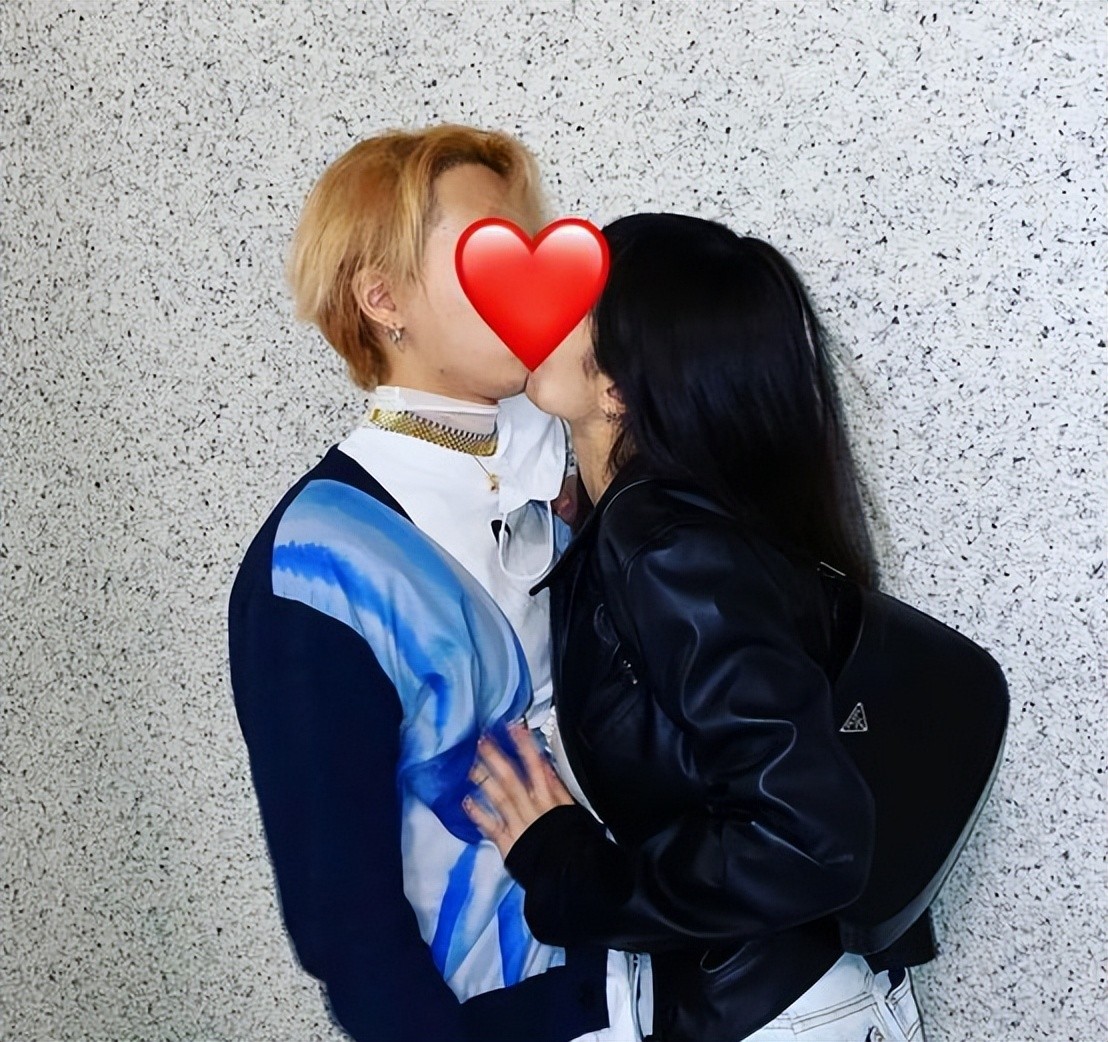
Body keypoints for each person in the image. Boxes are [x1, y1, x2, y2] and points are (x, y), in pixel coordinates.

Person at [464, 214, 931, 1041]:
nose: (538, 311)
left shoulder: (667, 549)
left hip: (776, 1014)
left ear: (618, 389)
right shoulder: (663, 531)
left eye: (574, 302)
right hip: (782, 1002)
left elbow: (808, 839)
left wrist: (570, 868)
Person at [227, 125, 637, 1041]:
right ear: (383, 299)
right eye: (486, 252)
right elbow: (345, 921)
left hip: (684, 985)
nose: (525, 281)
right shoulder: (318, 564)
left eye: (527, 247)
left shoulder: (581, 457)